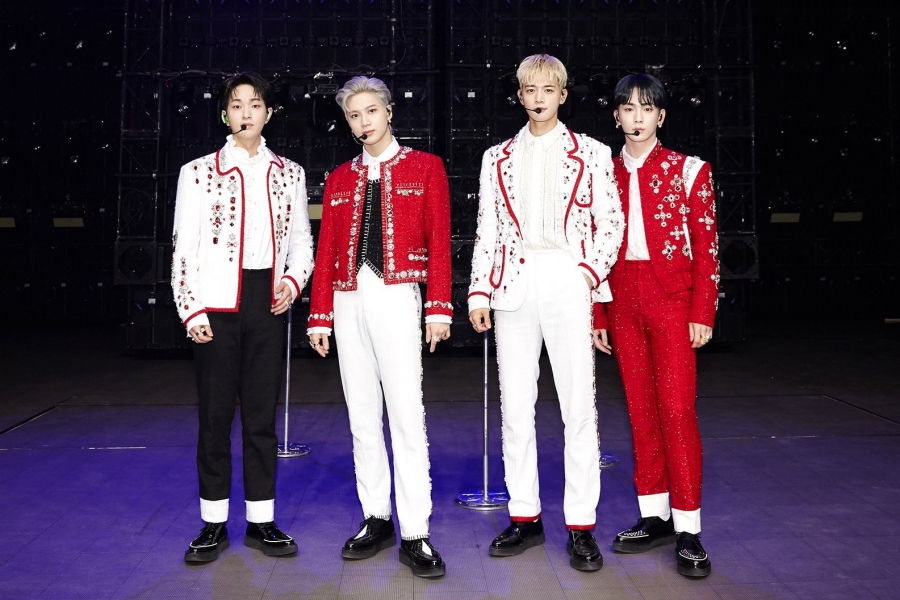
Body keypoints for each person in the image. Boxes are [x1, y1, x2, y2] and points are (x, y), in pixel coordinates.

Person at [467, 54, 624, 572]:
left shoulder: (593, 152)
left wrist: (586, 275)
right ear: (519, 95)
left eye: (548, 89)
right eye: (530, 89)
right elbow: (488, 228)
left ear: (562, 95)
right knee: (516, 407)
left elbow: (612, 222)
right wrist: (479, 292)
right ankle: (525, 516)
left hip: (567, 276)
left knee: (578, 407)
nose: (538, 97)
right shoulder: (497, 157)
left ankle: (580, 525)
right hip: (513, 282)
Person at [306, 76, 452, 578]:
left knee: (407, 415)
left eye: (371, 111)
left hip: (398, 295)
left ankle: (416, 530)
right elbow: (326, 251)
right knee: (362, 417)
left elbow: (439, 239)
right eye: (354, 115)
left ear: (389, 111)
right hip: (347, 299)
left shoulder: (425, 167)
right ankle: (377, 516)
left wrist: (438, 307)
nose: (363, 122)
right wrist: (320, 315)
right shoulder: (338, 178)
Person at [172, 72, 314, 563]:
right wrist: (191, 308)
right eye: (237, 105)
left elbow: (302, 242)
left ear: (269, 113)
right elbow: (183, 248)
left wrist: (292, 282)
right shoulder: (196, 172)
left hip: (267, 301)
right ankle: (213, 523)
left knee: (260, 417)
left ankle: (261, 521)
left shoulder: (290, 173)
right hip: (216, 303)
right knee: (214, 417)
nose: (246, 112)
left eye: (255, 104)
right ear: (224, 114)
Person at [596, 73, 719, 578]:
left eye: (647, 108)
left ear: (661, 116)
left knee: (676, 409)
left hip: (672, 299)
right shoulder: (601, 173)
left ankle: (689, 527)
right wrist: (598, 313)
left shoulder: (690, 170)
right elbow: (592, 247)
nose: (637, 117)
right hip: (621, 298)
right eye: (628, 108)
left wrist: (702, 311)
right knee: (640, 410)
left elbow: (708, 247)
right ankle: (655, 515)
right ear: (616, 116)